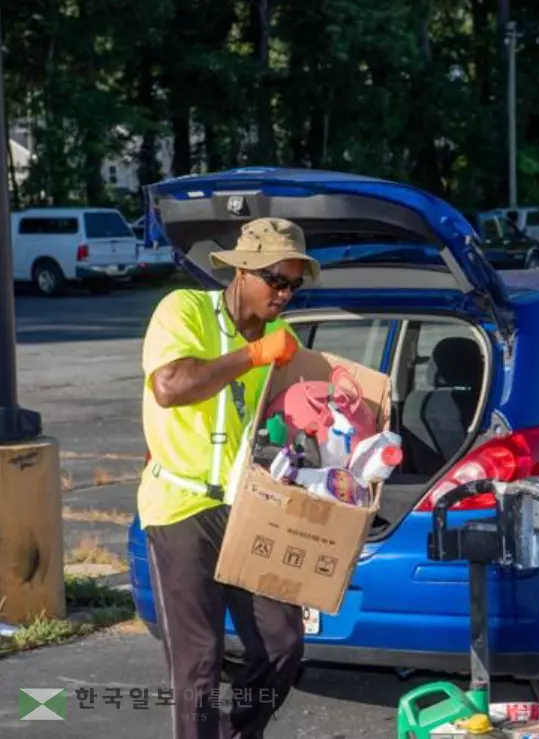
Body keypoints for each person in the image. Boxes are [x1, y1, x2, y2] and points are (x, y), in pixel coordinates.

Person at [137, 217, 322, 739]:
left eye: (294, 284)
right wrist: (253, 355)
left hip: (245, 506)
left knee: (283, 642)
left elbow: (279, 417)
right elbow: (171, 387)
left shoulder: (282, 336)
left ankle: (239, 732)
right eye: (276, 280)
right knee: (198, 661)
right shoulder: (184, 310)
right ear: (243, 271)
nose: (285, 294)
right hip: (180, 503)